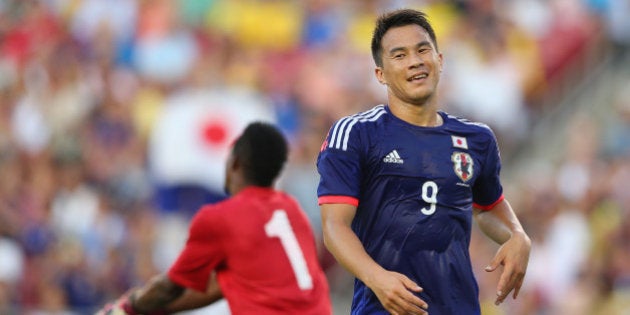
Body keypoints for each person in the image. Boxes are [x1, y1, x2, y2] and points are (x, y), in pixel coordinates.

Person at [316, 8, 531, 315]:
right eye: (399, 55)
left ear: (440, 60)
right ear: (380, 74)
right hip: (386, 308)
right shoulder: (356, 134)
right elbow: (335, 228)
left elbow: (488, 207)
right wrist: (378, 279)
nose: (415, 61)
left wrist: (517, 236)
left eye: (422, 50)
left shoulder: (477, 139)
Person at [98, 122, 332, 314]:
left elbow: (170, 288)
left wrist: (128, 307)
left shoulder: (219, 218)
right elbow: (216, 288)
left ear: (236, 162)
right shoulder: (292, 210)